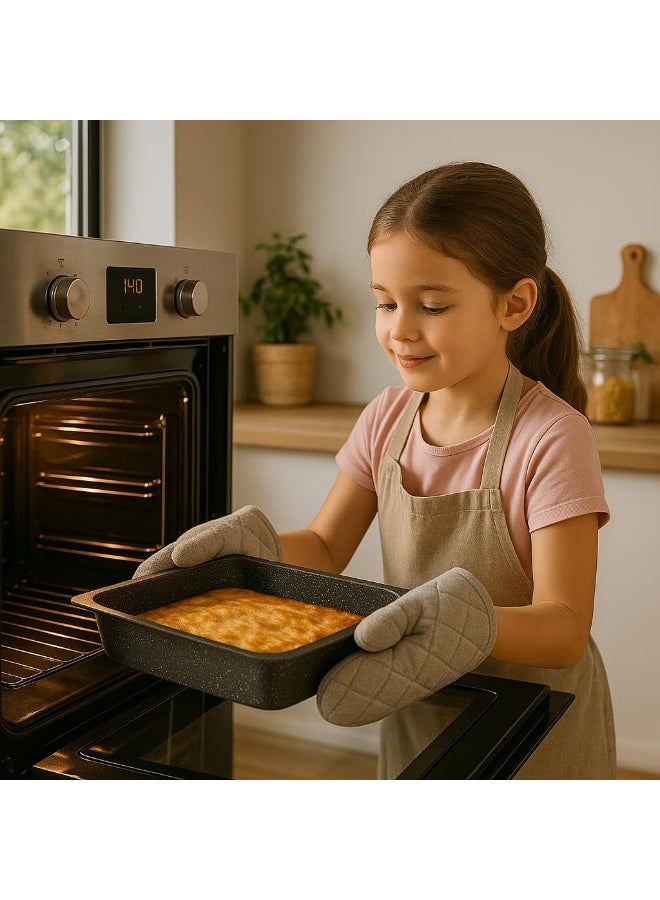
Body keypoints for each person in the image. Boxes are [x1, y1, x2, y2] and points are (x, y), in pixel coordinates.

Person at [135, 161, 616, 779]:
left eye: (433, 305)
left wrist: (463, 624)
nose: (399, 330)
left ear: (515, 304)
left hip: (535, 728)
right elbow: (327, 544)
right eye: (384, 303)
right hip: (416, 703)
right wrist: (253, 554)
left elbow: (565, 629)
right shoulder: (387, 417)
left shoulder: (550, 437)